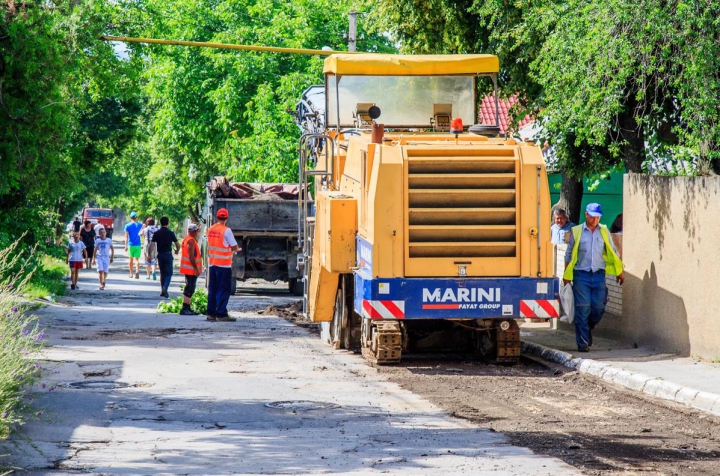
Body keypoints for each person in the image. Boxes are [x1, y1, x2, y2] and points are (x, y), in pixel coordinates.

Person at [563, 203, 624, 352]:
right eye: (592, 216)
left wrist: (619, 271)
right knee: (583, 309)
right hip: (581, 275)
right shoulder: (577, 231)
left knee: (598, 308)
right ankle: (583, 343)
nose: (595, 219)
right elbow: (569, 254)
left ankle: (588, 327)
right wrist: (566, 275)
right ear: (586, 215)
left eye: (597, 217)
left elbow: (613, 251)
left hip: (598, 275)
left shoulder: (603, 231)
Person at [206, 208, 240, 322]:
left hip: (213, 264)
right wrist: (235, 249)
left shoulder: (210, 229)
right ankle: (221, 313)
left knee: (213, 289)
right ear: (226, 218)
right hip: (224, 266)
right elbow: (234, 246)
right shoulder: (227, 230)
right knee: (224, 289)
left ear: (217, 217)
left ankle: (211, 313)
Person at [151, 216, 180, 298]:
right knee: (169, 273)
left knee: (162, 273)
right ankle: (165, 288)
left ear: (161, 223)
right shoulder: (170, 233)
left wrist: (150, 254)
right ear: (168, 223)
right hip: (168, 254)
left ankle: (163, 291)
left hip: (160, 255)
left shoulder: (157, 233)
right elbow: (177, 244)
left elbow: (152, 245)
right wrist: (177, 250)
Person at [179, 223, 203, 316]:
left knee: (190, 287)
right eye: (197, 231)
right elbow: (191, 256)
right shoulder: (191, 241)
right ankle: (185, 308)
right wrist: (196, 269)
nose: (198, 232)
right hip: (191, 269)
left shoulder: (188, 239)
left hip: (189, 268)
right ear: (194, 231)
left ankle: (187, 307)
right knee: (190, 288)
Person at [124, 211, 143, 279]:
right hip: (138, 244)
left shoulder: (127, 225)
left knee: (130, 259)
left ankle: (131, 273)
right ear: (136, 217)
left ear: (130, 217)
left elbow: (126, 236)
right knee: (137, 260)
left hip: (130, 244)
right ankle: (137, 271)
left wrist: (125, 246)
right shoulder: (140, 225)